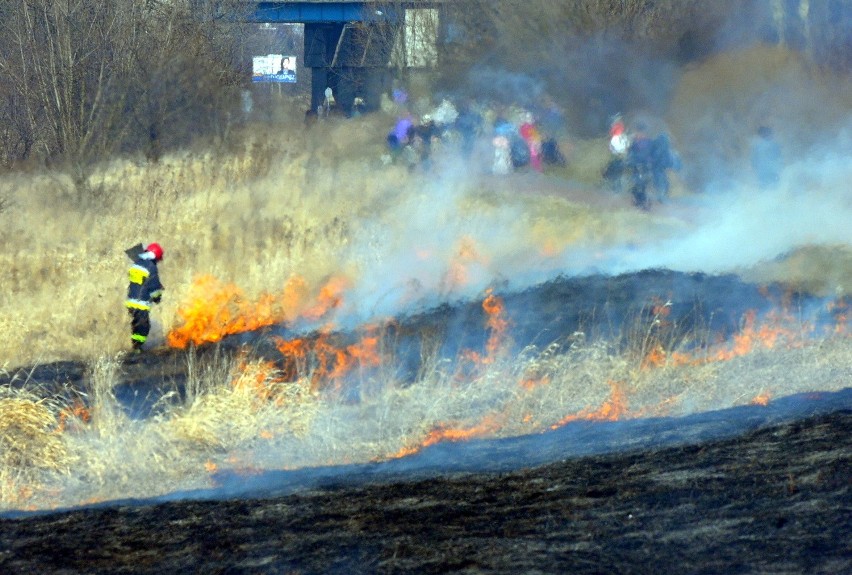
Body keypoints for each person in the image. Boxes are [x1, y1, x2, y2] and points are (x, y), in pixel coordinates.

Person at [125, 242, 165, 352]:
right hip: (141, 305)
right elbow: (154, 287)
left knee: (135, 325)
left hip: (130, 302)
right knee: (143, 328)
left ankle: (135, 347)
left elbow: (139, 282)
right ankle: (136, 349)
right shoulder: (151, 267)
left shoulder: (137, 263)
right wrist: (157, 298)